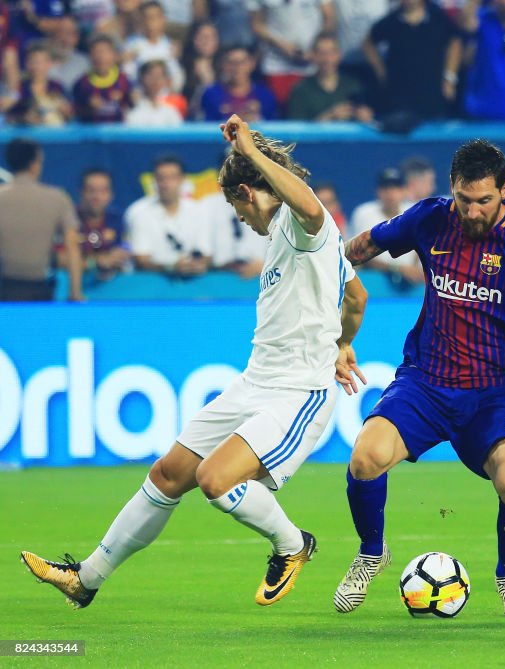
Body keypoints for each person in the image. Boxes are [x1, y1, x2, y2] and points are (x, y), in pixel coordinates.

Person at [21, 114, 370, 610]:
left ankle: (293, 544)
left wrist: (249, 152)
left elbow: (311, 208)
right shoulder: (285, 240)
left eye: (237, 208)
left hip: (297, 394)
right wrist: (341, 342)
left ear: (248, 192)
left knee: (216, 480)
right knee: (168, 473)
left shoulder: (302, 225)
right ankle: (86, 579)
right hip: (255, 384)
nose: (241, 221)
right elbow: (355, 296)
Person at [334, 139, 505, 617]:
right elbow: (362, 247)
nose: (471, 211)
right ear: (452, 189)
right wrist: (325, 270)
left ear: (504, 190)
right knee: (366, 457)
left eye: (484, 201)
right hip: (425, 381)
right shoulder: (430, 216)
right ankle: (371, 552)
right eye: (464, 200)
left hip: (494, 393)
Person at [0, 138, 84, 302]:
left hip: (4, 288)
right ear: (34, 164)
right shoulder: (57, 198)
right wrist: (75, 293)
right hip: (39, 290)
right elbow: (72, 248)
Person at [365, 0, 461, 121]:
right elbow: (368, 44)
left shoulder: (438, 17)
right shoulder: (390, 21)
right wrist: (381, 71)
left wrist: (450, 77)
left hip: (433, 96)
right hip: (399, 99)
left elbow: (455, 42)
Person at [125, 155, 212, 276]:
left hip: (192, 282)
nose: (166, 184)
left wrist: (197, 265)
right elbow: (141, 260)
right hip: (151, 284)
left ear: (182, 180)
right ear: (154, 180)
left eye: (172, 178)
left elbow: (206, 253)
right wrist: (170, 268)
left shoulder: (198, 211)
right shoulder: (138, 212)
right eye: (161, 178)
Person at [349, 167, 422, 288]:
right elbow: (358, 254)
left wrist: (415, 268)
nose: (390, 193)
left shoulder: (415, 211)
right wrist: (398, 269)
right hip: (373, 282)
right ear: (378, 191)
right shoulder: (363, 213)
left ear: (404, 190)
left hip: (414, 284)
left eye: (396, 187)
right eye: (385, 188)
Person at [60, 167, 131, 279]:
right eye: (91, 191)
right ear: (81, 193)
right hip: (72, 282)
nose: (97, 197)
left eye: (103, 191)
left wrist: (119, 256)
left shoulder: (118, 219)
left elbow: (124, 252)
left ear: (111, 195)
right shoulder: (67, 219)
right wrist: (95, 263)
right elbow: (59, 260)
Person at [287, 32, 371, 122]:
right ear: (313, 56)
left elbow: (367, 121)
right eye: (322, 53)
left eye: (332, 53)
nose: (327, 59)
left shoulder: (353, 86)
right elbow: (296, 131)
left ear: (339, 55)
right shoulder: (301, 90)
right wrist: (331, 116)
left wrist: (365, 117)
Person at [197, 44, 276, 121]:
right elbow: (205, 126)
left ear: (252, 64)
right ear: (223, 65)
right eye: (231, 62)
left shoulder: (264, 95)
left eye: (242, 62)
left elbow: (274, 127)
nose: (237, 67)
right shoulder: (211, 94)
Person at [72, 34, 133, 123]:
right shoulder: (81, 84)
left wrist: (125, 101)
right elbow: (74, 113)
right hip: (91, 134)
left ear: (114, 55)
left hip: (118, 134)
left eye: (105, 52)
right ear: (90, 56)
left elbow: (133, 107)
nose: (100, 57)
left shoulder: (124, 81)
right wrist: (89, 109)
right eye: (96, 52)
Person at [125, 59, 185, 126]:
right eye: (151, 74)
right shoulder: (133, 110)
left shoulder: (171, 110)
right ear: (141, 79)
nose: (155, 79)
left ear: (165, 80)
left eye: (159, 75)